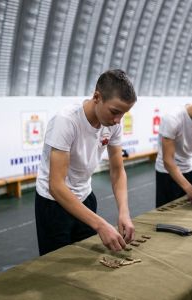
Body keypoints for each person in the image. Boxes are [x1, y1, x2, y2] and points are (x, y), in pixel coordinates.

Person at [35, 69, 137, 255]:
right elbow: (56, 186)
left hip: (85, 197)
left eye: (123, 114)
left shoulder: (113, 124)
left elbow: (117, 170)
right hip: (54, 204)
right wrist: (100, 225)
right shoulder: (66, 121)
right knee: (55, 267)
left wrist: (124, 212)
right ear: (97, 97)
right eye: (115, 112)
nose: (117, 120)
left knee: (85, 259)